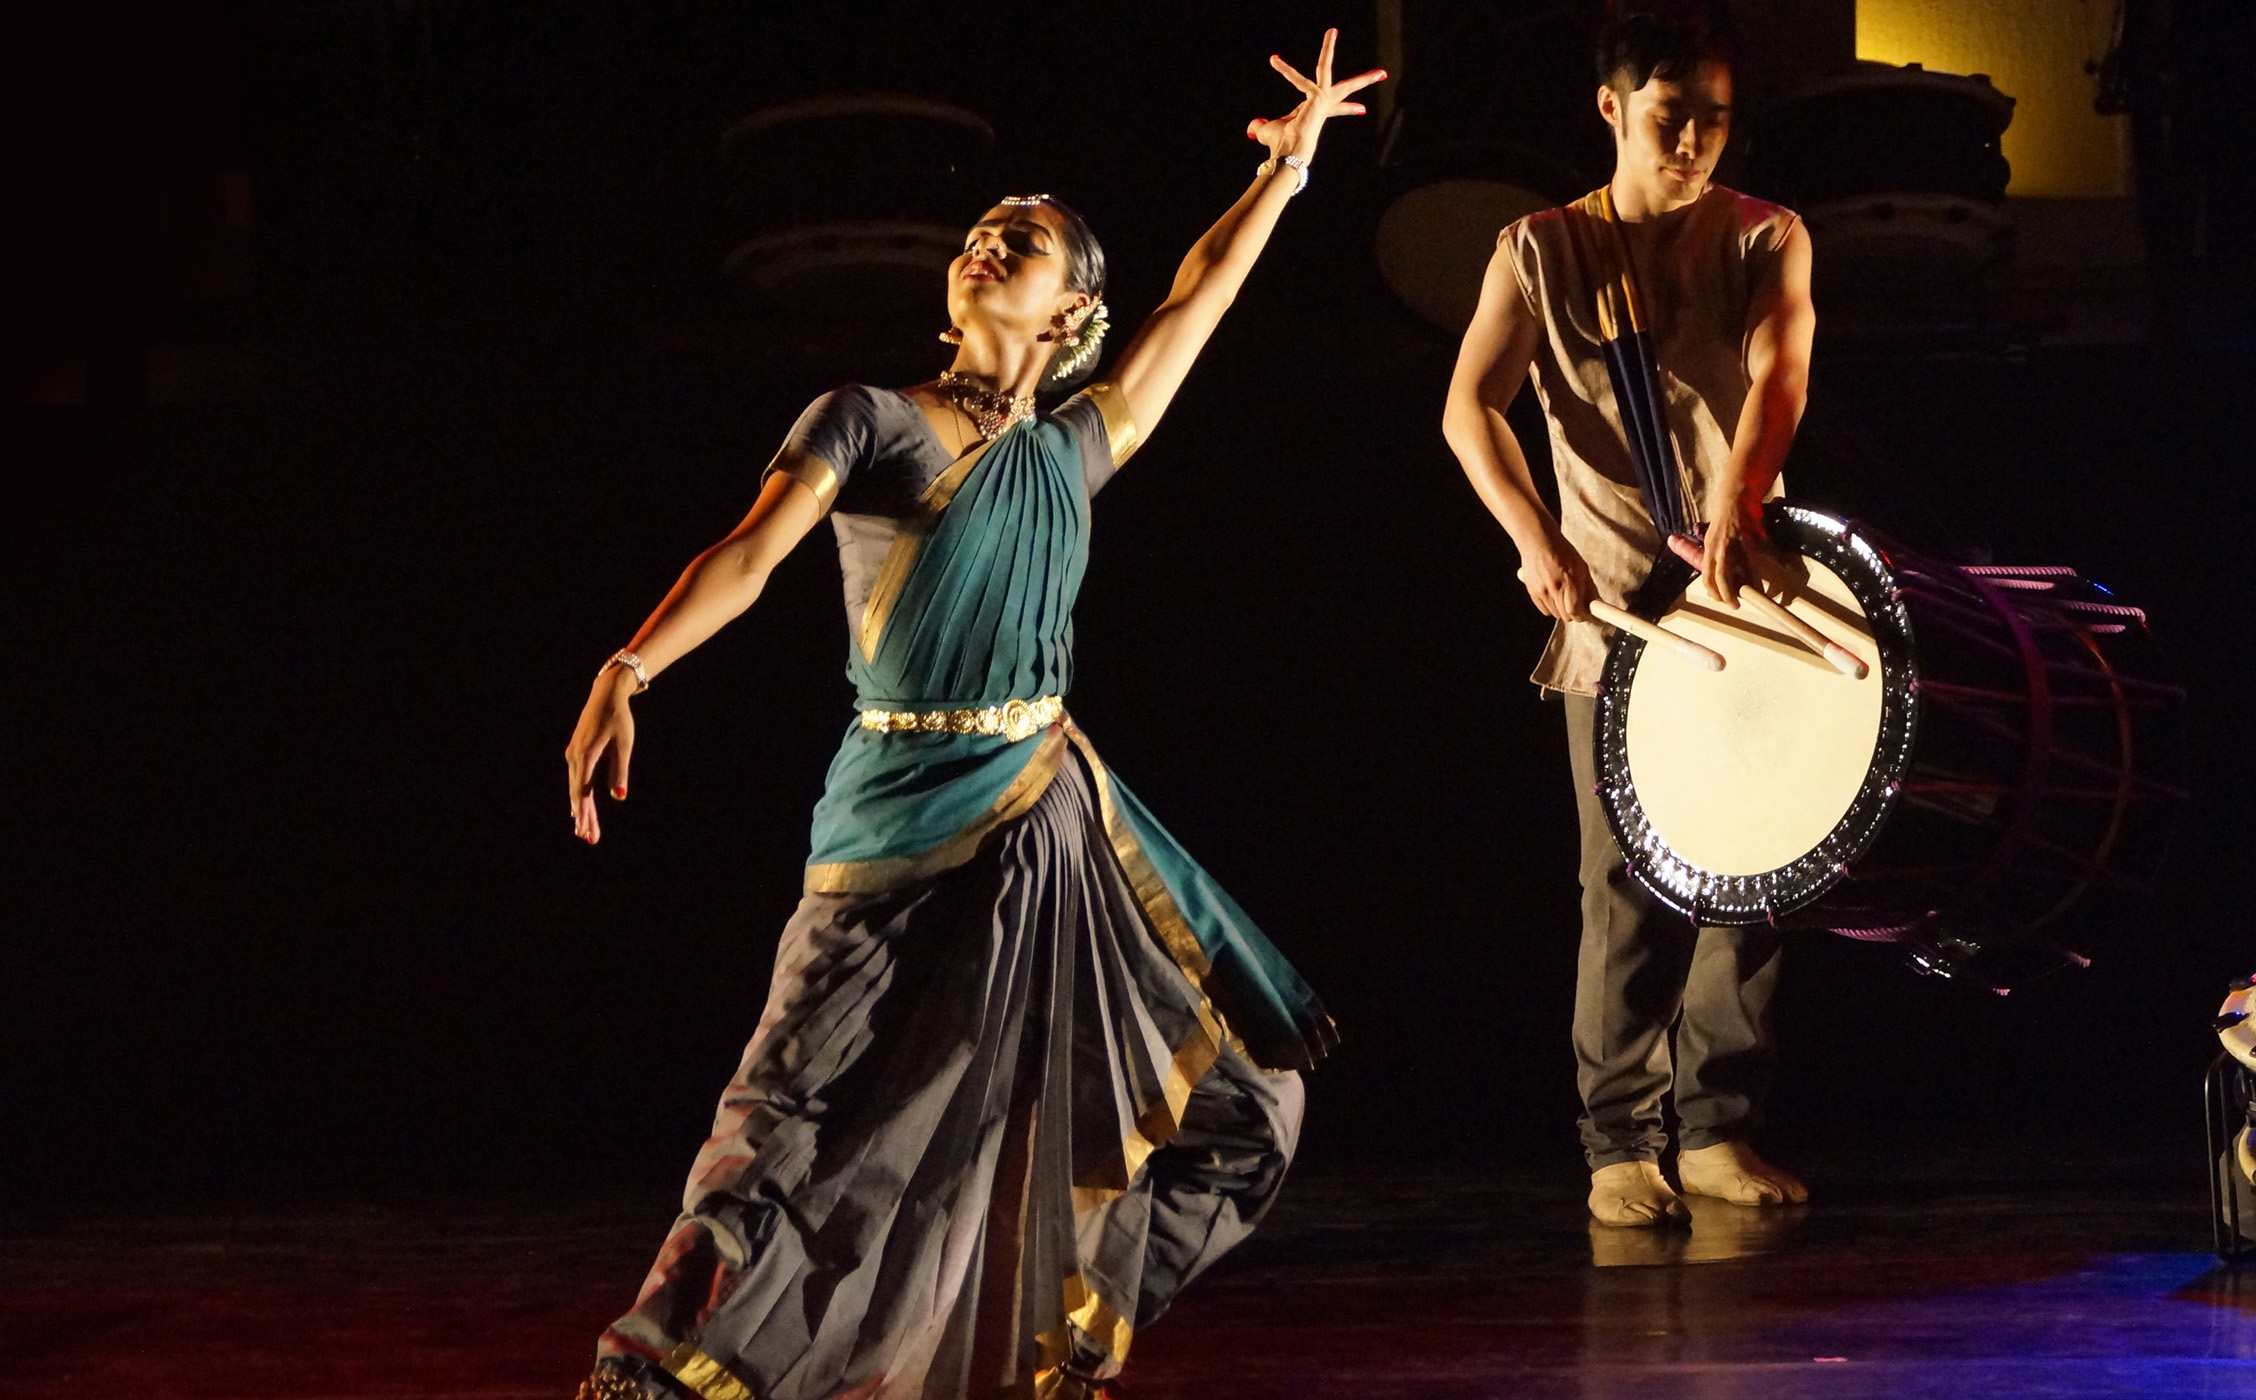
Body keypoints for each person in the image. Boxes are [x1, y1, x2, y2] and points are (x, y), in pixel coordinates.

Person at [560, 33, 1383, 1399]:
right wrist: (632, 665)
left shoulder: (1076, 447)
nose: (992, 242)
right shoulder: (872, 417)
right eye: (983, 230)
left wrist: (1285, 179)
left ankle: (1041, 1336)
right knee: (787, 1125)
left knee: (1251, 1105)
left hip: (1052, 823)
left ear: (1070, 311)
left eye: (1030, 239)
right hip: (895, 818)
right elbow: (754, 554)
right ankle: (654, 1369)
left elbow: (1196, 299)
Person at [1441, 0, 1814, 1228]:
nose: (1694, 143)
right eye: (1670, 119)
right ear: (1611, 108)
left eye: (1713, 120)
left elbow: (1778, 373)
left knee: (1755, 866)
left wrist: (1737, 504)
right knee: (1631, 883)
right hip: (1612, 609)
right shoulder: (1538, 250)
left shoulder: (1765, 238)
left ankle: (1717, 1125)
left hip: (1737, 590)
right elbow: (1470, 409)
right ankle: (1619, 1138)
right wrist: (1531, 538)